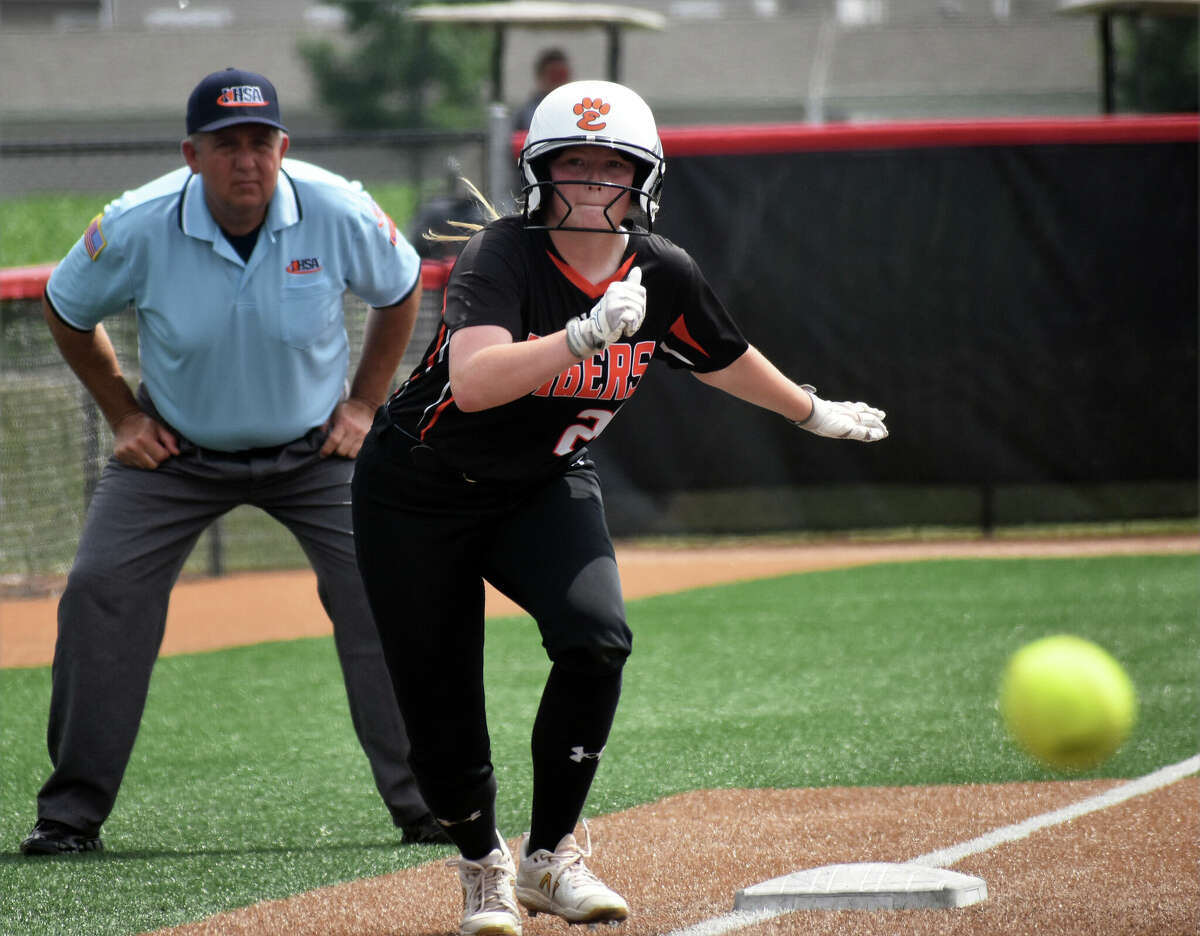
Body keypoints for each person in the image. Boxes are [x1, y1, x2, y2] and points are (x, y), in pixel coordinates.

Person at [350, 79, 888, 935]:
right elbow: (474, 381)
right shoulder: (505, 255)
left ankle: (551, 857)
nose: (592, 185)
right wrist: (583, 336)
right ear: (539, 173)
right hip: (416, 490)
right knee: (442, 713)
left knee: (596, 638)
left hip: (541, 484)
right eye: (573, 165)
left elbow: (720, 355)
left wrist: (810, 410)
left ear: (644, 179)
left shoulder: (662, 269)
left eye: (612, 167)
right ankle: (482, 863)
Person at [20, 67, 450, 856]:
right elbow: (65, 305)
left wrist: (363, 406)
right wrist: (121, 414)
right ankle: (69, 816)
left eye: (260, 142)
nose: (245, 160)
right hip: (176, 455)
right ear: (192, 153)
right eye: (226, 144)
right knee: (97, 593)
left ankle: (426, 804)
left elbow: (401, 288)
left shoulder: (335, 208)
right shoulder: (138, 224)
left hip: (319, 451)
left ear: (283, 147)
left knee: (388, 593)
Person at [512, 48, 572, 131]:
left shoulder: (577, 109)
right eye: (554, 76)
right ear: (540, 76)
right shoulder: (526, 113)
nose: (559, 82)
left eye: (562, 75)